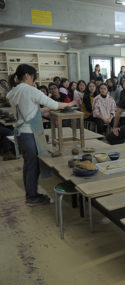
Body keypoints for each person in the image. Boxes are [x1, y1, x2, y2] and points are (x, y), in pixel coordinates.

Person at [7, 64, 76, 206]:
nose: (34, 80)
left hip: (21, 134)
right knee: (33, 166)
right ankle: (32, 197)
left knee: (28, 165)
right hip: (29, 134)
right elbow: (55, 105)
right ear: (27, 76)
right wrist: (71, 103)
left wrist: (44, 109)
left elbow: (30, 108)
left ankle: (30, 194)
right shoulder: (30, 90)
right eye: (33, 77)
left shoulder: (14, 91)